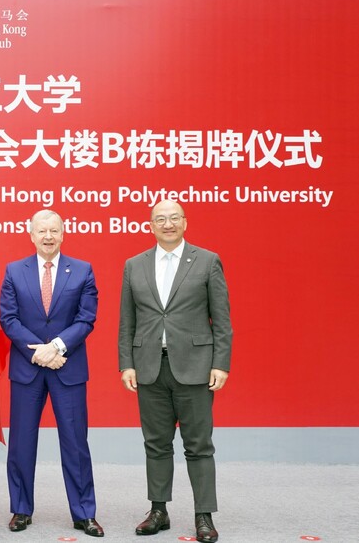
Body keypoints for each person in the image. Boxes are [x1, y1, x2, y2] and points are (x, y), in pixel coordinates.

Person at [118, 200, 232, 543]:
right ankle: (158, 511)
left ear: (185, 222)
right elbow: (127, 321)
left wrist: (221, 363)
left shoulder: (207, 261)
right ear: (150, 225)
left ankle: (203, 516)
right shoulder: (134, 265)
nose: (167, 224)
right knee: (156, 444)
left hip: (196, 367)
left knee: (199, 446)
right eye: (160, 219)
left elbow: (222, 321)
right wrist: (126, 362)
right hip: (149, 367)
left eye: (173, 218)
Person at [0, 209, 104, 537]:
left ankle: (84, 513)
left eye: (54, 231)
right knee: (20, 443)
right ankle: (20, 509)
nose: (48, 236)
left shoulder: (83, 270)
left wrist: (56, 347)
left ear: (62, 234)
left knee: (75, 443)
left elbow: (86, 318)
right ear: (31, 234)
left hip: (67, 367)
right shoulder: (15, 271)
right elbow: (8, 318)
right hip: (28, 368)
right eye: (41, 231)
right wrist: (41, 352)